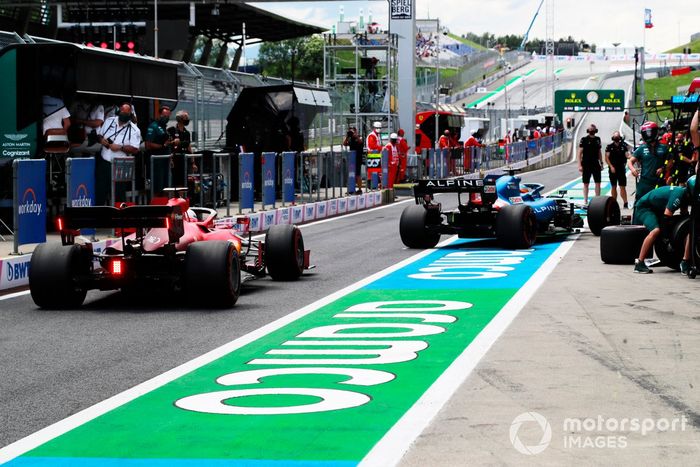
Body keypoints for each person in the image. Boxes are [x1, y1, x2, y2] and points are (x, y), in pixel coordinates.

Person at [632, 176, 695, 274]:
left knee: (687, 228)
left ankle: (685, 261)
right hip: (645, 208)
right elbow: (666, 217)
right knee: (656, 230)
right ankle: (639, 263)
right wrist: (666, 238)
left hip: (657, 208)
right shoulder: (679, 195)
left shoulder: (686, 195)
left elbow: (685, 218)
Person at [96, 103, 141, 205]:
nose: (124, 114)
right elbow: (99, 135)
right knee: (100, 191)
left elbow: (135, 149)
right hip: (104, 162)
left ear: (130, 114)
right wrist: (101, 140)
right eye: (122, 112)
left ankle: (119, 217)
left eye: (127, 113)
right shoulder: (109, 121)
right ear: (119, 111)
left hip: (120, 165)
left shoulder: (135, 130)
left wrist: (120, 147)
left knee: (119, 194)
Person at [627, 121, 669, 206]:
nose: (648, 134)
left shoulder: (664, 148)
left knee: (660, 205)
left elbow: (671, 162)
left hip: (659, 181)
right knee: (639, 205)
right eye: (646, 133)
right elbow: (630, 161)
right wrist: (633, 169)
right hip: (644, 182)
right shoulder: (641, 149)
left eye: (650, 132)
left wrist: (663, 168)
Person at [145, 106, 173, 193]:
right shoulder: (153, 126)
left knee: (167, 186)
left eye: (167, 116)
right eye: (164, 116)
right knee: (158, 187)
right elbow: (148, 144)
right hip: (157, 162)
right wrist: (162, 146)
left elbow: (167, 144)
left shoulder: (165, 128)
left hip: (166, 162)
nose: (166, 118)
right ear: (159, 114)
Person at [577, 123, 603, 205]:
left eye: (593, 129)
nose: (591, 131)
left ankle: (597, 199)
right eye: (590, 129)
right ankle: (585, 200)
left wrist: (601, 163)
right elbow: (579, 153)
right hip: (586, 163)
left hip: (595, 163)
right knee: (586, 183)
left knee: (598, 182)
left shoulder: (598, 139)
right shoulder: (584, 139)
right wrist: (580, 165)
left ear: (595, 131)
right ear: (588, 131)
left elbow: (599, 152)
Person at [167, 110, 194, 187]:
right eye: (185, 117)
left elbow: (188, 146)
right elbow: (167, 144)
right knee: (175, 180)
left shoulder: (187, 133)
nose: (187, 119)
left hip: (184, 159)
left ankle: (182, 197)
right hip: (175, 159)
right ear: (180, 119)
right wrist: (173, 142)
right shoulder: (171, 130)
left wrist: (193, 162)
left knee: (184, 180)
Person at [605, 131, 630, 208]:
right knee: (613, 186)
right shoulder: (609, 146)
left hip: (621, 169)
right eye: (615, 136)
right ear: (613, 137)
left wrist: (632, 157)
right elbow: (606, 158)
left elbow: (627, 155)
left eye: (618, 136)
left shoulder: (623, 146)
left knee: (622, 186)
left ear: (620, 137)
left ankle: (625, 203)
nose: (616, 138)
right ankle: (614, 203)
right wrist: (611, 166)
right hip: (613, 169)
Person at [343, 126, 365, 192]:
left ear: (355, 131)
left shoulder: (359, 137)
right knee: (351, 174)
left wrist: (355, 135)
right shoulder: (350, 138)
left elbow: (361, 142)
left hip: (358, 158)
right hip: (352, 158)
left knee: (358, 174)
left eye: (352, 131)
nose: (351, 132)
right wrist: (347, 136)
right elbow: (344, 144)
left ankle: (360, 189)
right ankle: (351, 189)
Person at [366, 121, 383, 186]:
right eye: (377, 128)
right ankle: (371, 184)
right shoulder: (372, 136)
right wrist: (381, 148)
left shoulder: (377, 135)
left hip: (376, 154)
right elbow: (372, 146)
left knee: (376, 170)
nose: (378, 129)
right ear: (374, 128)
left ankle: (375, 184)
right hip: (372, 154)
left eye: (379, 128)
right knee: (372, 171)